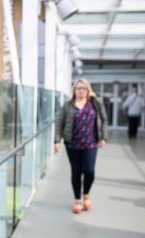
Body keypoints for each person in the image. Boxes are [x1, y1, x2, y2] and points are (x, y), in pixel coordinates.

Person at [54, 78, 108, 214]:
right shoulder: (68, 105)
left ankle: (87, 194)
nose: (81, 90)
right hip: (72, 144)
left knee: (89, 171)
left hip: (91, 143)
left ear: (88, 89)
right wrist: (57, 140)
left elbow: (104, 119)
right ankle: (77, 199)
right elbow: (59, 123)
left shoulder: (95, 103)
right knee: (76, 172)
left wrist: (103, 137)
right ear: (74, 90)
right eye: (78, 88)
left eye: (83, 88)